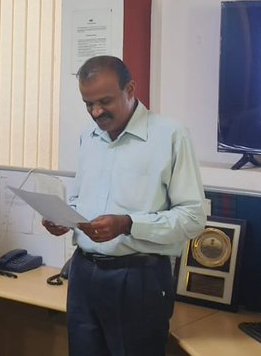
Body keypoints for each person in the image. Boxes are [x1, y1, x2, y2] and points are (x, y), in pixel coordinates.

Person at [41, 55, 205, 355]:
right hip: (83, 273)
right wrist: (65, 219)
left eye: (104, 101)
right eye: (88, 104)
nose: (96, 112)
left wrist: (128, 224)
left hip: (139, 278)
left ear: (130, 90)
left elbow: (193, 218)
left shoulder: (170, 135)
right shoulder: (88, 137)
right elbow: (80, 199)